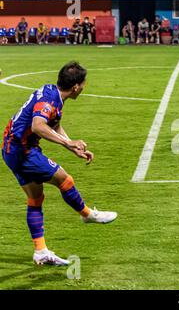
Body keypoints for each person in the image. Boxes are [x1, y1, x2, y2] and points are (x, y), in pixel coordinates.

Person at [1, 61, 117, 265]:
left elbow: (54, 125)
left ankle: (40, 251)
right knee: (65, 180)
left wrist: (73, 148)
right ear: (75, 87)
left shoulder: (52, 92)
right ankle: (87, 214)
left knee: (36, 198)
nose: (83, 87)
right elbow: (38, 126)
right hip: (22, 150)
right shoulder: (49, 100)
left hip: (13, 148)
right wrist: (69, 142)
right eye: (83, 84)